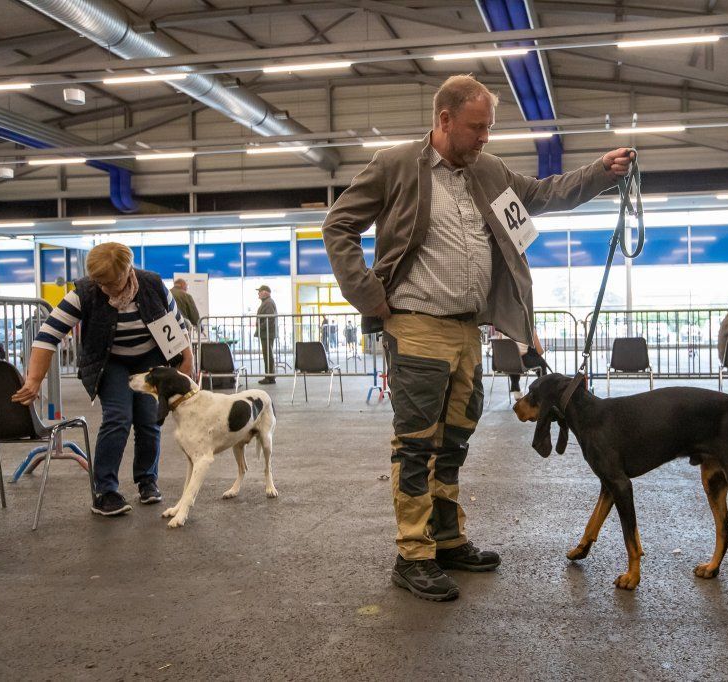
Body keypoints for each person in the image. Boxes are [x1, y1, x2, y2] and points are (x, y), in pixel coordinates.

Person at [321, 73, 634, 601]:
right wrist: (370, 297)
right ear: (444, 120)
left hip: (468, 329)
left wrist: (601, 172)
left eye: (489, 127)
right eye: (477, 127)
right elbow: (338, 226)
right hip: (415, 323)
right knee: (417, 444)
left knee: (454, 441)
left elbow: (543, 194)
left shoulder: (487, 170)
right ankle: (412, 554)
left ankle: (446, 539)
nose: (485, 136)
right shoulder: (396, 165)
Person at [11, 242, 193, 516]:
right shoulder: (84, 292)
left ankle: (147, 480)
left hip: (149, 360)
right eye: (99, 282)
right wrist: (34, 380)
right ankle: (105, 491)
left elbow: (179, 333)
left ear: (128, 270)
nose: (104, 288)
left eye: (111, 281)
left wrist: (186, 377)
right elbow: (48, 336)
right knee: (118, 416)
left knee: (149, 419)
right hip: (109, 362)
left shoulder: (153, 285)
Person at [506, 328, 548, 399]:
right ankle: (543, 390)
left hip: (505, 362)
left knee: (513, 358)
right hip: (522, 361)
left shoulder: (500, 327)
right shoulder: (529, 327)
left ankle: (515, 388)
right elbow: (540, 351)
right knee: (542, 363)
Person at [256, 285, 278, 384]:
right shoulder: (267, 302)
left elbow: (270, 318)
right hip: (266, 333)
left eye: (260, 291)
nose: (258, 293)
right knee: (267, 355)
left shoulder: (268, 303)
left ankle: (270, 377)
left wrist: (260, 327)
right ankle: (269, 376)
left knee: (268, 355)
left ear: (265, 292)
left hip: (267, 333)